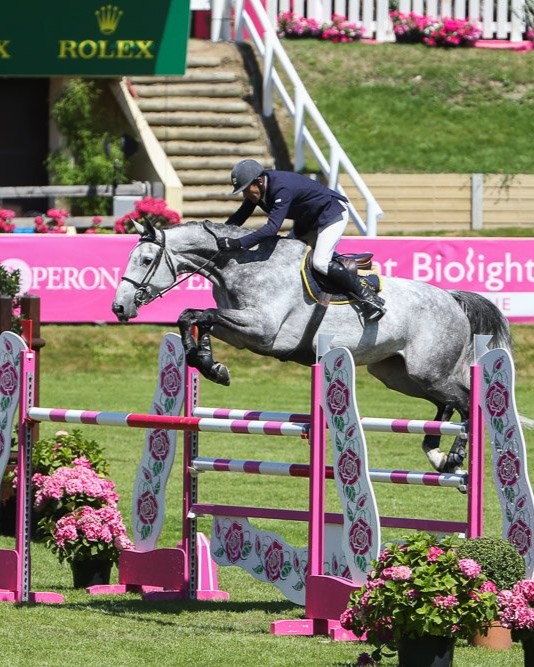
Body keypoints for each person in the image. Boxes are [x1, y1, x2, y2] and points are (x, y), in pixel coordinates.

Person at [216, 159, 385, 322]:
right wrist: (217, 234)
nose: (245, 194)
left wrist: (238, 243)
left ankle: (369, 296)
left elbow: (271, 228)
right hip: (308, 220)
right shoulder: (258, 188)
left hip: (331, 214)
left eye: (246, 189)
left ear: (259, 181)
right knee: (287, 257)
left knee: (320, 263)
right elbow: (240, 216)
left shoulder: (281, 188)